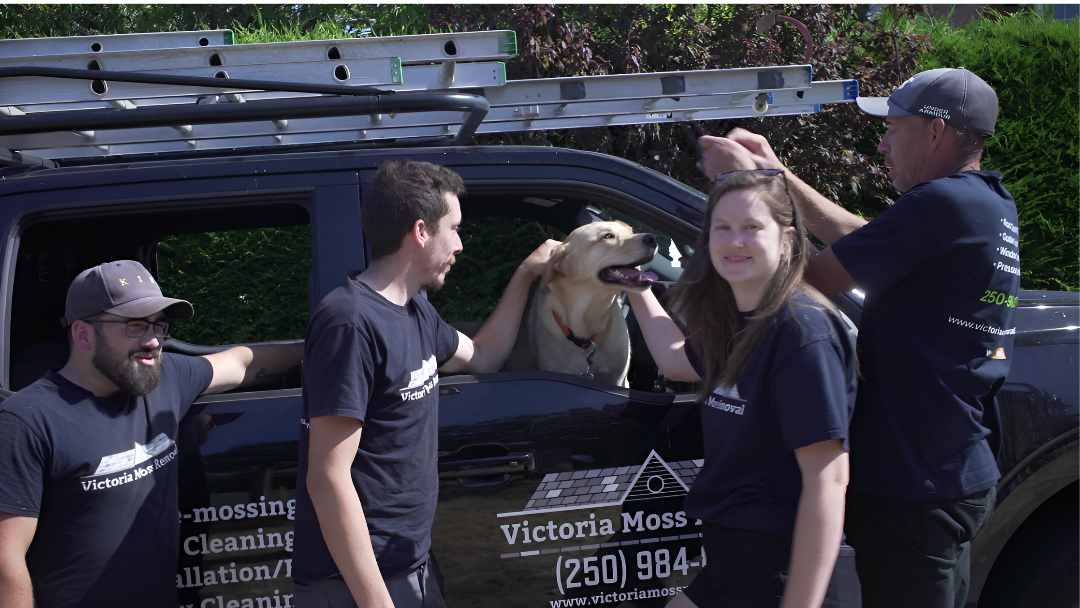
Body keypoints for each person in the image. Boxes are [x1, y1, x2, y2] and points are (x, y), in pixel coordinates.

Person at [699, 67, 1019, 607]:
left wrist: (744, 192)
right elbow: (863, 240)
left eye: (894, 128)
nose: (883, 142)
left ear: (936, 131)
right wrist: (776, 173)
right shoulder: (982, 203)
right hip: (950, 470)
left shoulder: (939, 205)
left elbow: (808, 280)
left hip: (911, 483)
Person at [292, 159, 557, 608]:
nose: (459, 244)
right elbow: (327, 478)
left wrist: (525, 274)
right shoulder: (350, 323)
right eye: (453, 229)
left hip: (409, 565)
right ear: (420, 231)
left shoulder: (416, 311)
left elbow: (485, 356)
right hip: (355, 583)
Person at [0, 259, 303, 608]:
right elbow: (7, 563)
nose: (153, 340)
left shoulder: (165, 379)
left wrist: (325, 349)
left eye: (159, 325)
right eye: (135, 326)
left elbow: (241, 364)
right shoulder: (27, 421)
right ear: (83, 333)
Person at [627, 170, 859, 607]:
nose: (735, 242)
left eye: (752, 228)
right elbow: (678, 360)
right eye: (723, 228)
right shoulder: (735, 318)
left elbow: (828, 480)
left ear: (788, 239)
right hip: (730, 562)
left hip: (779, 568)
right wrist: (635, 284)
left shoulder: (801, 332)